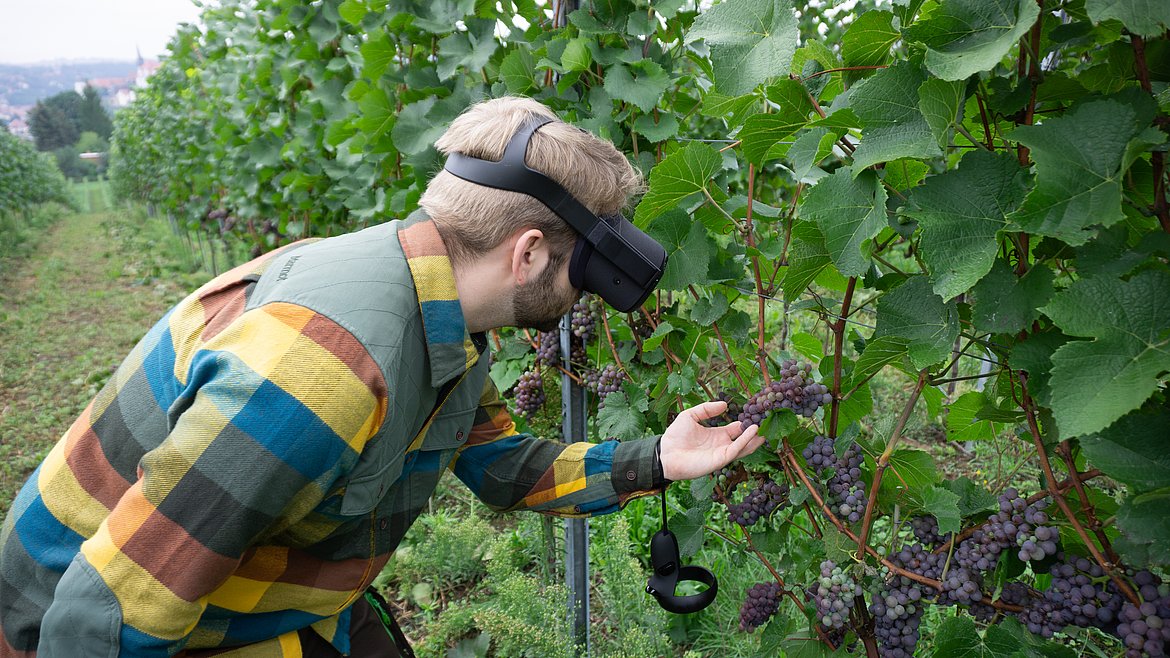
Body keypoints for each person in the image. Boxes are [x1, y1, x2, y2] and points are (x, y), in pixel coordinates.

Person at [0, 97, 764, 657]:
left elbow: (500, 468)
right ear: (526, 253)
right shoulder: (321, 372)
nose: (574, 301)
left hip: (266, 592)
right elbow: (106, 613)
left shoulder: (437, 310)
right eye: (577, 272)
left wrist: (657, 460)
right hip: (88, 629)